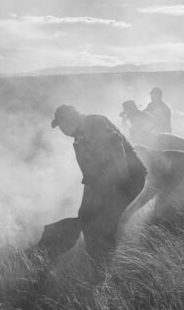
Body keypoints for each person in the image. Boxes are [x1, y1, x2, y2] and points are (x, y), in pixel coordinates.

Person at [51, 105, 146, 264]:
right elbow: (91, 175)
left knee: (103, 224)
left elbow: (116, 144)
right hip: (107, 182)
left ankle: (107, 267)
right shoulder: (78, 137)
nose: (63, 130)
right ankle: (97, 261)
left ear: (73, 118)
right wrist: (85, 207)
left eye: (64, 124)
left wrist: (124, 179)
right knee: (87, 218)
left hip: (129, 179)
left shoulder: (94, 123)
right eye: (61, 127)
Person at [119, 146, 184, 228]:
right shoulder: (154, 160)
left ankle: (182, 233)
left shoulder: (158, 161)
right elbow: (153, 191)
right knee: (170, 204)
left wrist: (129, 213)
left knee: (183, 205)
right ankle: (170, 229)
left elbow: (152, 192)